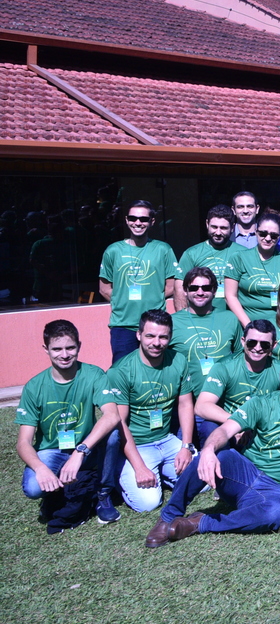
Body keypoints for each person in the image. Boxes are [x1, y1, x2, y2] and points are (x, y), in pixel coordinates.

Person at [144, 354, 280, 547]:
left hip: (277, 489)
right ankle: (168, 517)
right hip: (245, 472)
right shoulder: (260, 403)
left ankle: (200, 523)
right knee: (212, 456)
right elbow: (225, 431)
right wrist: (207, 449)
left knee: (276, 513)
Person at [16, 320, 115, 532]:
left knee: (114, 433)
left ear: (79, 345)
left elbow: (111, 415)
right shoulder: (34, 386)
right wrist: (41, 469)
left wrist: (80, 452)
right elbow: (23, 442)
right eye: (57, 349)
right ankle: (56, 491)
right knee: (34, 488)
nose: (64, 354)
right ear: (46, 349)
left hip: (84, 448)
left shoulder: (93, 374)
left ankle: (102, 493)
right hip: (51, 450)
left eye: (70, 347)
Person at [98, 309, 200, 513]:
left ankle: (163, 470)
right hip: (137, 445)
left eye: (163, 337)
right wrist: (139, 466)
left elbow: (186, 405)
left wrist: (186, 446)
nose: (157, 342)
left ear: (170, 337)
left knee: (204, 480)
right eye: (150, 336)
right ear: (138, 335)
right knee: (148, 503)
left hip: (167, 439)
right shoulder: (121, 371)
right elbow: (120, 423)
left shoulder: (178, 360)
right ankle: (123, 472)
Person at [98, 200, 181, 364]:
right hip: (123, 325)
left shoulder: (163, 249)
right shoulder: (113, 250)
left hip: (155, 324)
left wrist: (150, 299)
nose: (138, 223)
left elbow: (171, 286)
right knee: (122, 371)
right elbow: (104, 288)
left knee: (156, 369)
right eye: (133, 218)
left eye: (143, 219)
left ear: (152, 222)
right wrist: (122, 302)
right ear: (127, 220)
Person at [194, 321, 280, 445]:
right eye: (252, 342)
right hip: (229, 429)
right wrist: (237, 424)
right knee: (208, 427)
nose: (258, 348)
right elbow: (201, 406)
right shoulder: (224, 367)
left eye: (265, 344)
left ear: (274, 345)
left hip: (263, 429)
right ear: (243, 341)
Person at [169, 266, 242, 378]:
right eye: (194, 288)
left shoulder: (230, 318)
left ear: (214, 291)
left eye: (206, 288)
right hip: (187, 393)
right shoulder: (172, 322)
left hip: (226, 392)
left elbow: (240, 358)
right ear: (185, 291)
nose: (200, 292)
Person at [225, 212, 280, 326]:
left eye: (274, 235)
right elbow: (230, 296)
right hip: (246, 323)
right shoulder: (239, 258)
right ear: (256, 231)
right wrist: (248, 326)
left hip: (279, 324)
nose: (268, 238)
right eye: (263, 233)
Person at [175, 205, 238, 312]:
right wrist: (184, 319)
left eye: (223, 228)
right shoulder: (192, 253)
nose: (218, 233)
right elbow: (180, 289)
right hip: (201, 317)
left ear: (232, 227)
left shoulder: (243, 253)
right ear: (207, 224)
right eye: (214, 227)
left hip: (234, 319)